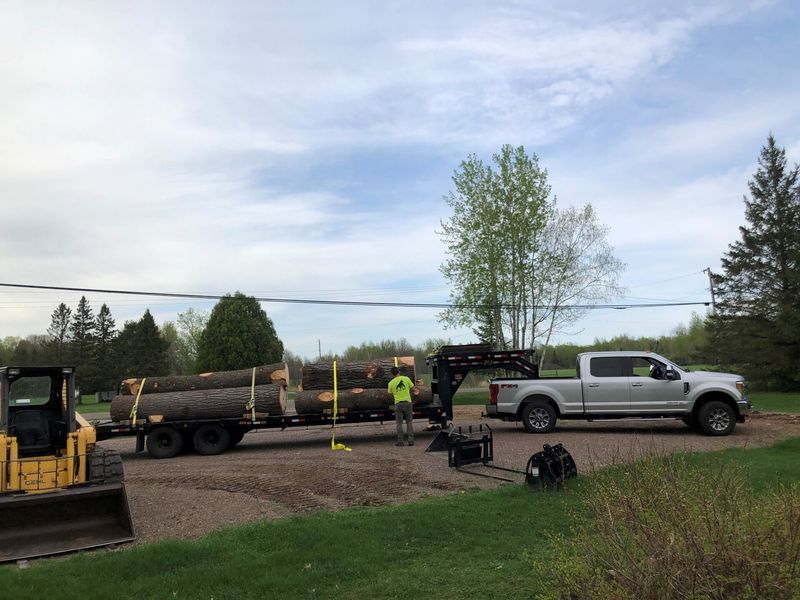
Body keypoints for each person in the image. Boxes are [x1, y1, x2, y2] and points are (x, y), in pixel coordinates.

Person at [387, 366, 414, 446]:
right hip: (408, 403)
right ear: (399, 371)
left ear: (392, 374)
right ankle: (411, 440)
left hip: (398, 404)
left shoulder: (391, 383)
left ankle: (400, 441)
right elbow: (413, 388)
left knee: (399, 423)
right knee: (409, 422)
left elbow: (390, 394)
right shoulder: (406, 379)